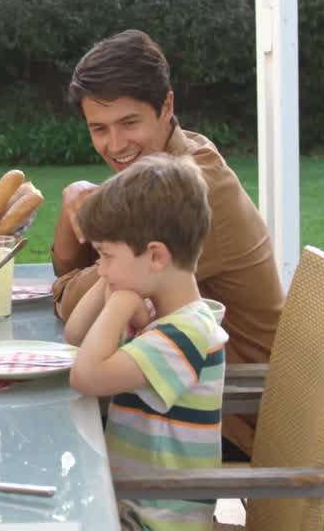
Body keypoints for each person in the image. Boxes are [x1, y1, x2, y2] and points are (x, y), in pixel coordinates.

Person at [51, 30, 283, 456]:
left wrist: (80, 272)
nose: (115, 145)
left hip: (229, 413)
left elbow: (72, 299)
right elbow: (84, 283)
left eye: (129, 123)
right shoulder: (160, 172)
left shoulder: (190, 188)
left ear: (167, 108)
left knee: (47, 427)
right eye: (98, 129)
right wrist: (74, 203)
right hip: (172, 390)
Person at [64, 154, 228, 531]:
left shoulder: (185, 334)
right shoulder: (160, 316)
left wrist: (120, 302)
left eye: (106, 256)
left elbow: (84, 376)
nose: (100, 269)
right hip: (127, 502)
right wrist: (113, 282)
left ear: (156, 255)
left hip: (154, 519)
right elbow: (75, 336)